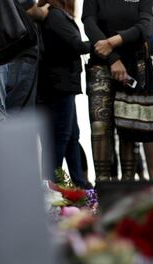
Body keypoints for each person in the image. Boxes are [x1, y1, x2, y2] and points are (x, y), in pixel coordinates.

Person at [82, 0, 153, 181]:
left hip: (134, 65)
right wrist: (113, 58)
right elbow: (89, 24)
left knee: (129, 125)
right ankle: (101, 186)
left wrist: (114, 40)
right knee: (100, 126)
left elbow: (146, 26)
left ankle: (128, 185)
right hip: (101, 65)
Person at [37, 0, 91, 188]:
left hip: (62, 84)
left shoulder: (54, 15)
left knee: (71, 136)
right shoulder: (56, 15)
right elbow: (75, 43)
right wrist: (98, 44)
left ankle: (79, 183)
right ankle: (53, 184)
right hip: (60, 84)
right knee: (61, 136)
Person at [0, 0, 49, 121]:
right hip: (11, 51)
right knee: (15, 116)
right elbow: (30, 9)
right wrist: (45, 9)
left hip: (2, 52)